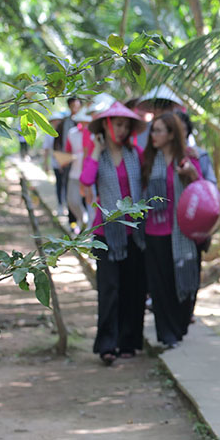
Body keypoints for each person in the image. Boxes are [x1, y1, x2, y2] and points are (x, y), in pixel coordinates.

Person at [79, 100, 148, 365]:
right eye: (117, 124)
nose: (121, 130)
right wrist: (96, 150)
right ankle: (107, 344)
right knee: (109, 290)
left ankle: (128, 341)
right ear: (107, 125)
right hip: (105, 234)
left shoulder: (135, 153)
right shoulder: (98, 155)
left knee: (133, 289)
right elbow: (85, 181)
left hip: (134, 233)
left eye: (125, 125)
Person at [141, 112, 202, 347]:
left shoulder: (186, 160)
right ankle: (166, 333)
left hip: (180, 232)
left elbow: (201, 192)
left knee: (180, 282)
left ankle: (178, 327)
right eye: (152, 130)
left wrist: (192, 175)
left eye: (158, 130)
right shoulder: (148, 160)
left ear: (171, 134)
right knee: (159, 286)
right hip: (153, 232)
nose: (153, 135)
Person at [175, 110, 217, 324]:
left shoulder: (200, 156)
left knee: (193, 266)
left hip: (196, 225)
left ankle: (188, 309)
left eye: (182, 131)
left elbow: (210, 189)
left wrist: (192, 174)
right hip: (170, 225)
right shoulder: (160, 157)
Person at [65, 108, 92, 232]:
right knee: (72, 200)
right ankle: (83, 220)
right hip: (74, 173)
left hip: (89, 174)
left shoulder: (93, 134)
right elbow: (68, 151)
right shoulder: (72, 133)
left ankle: (89, 228)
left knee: (91, 203)